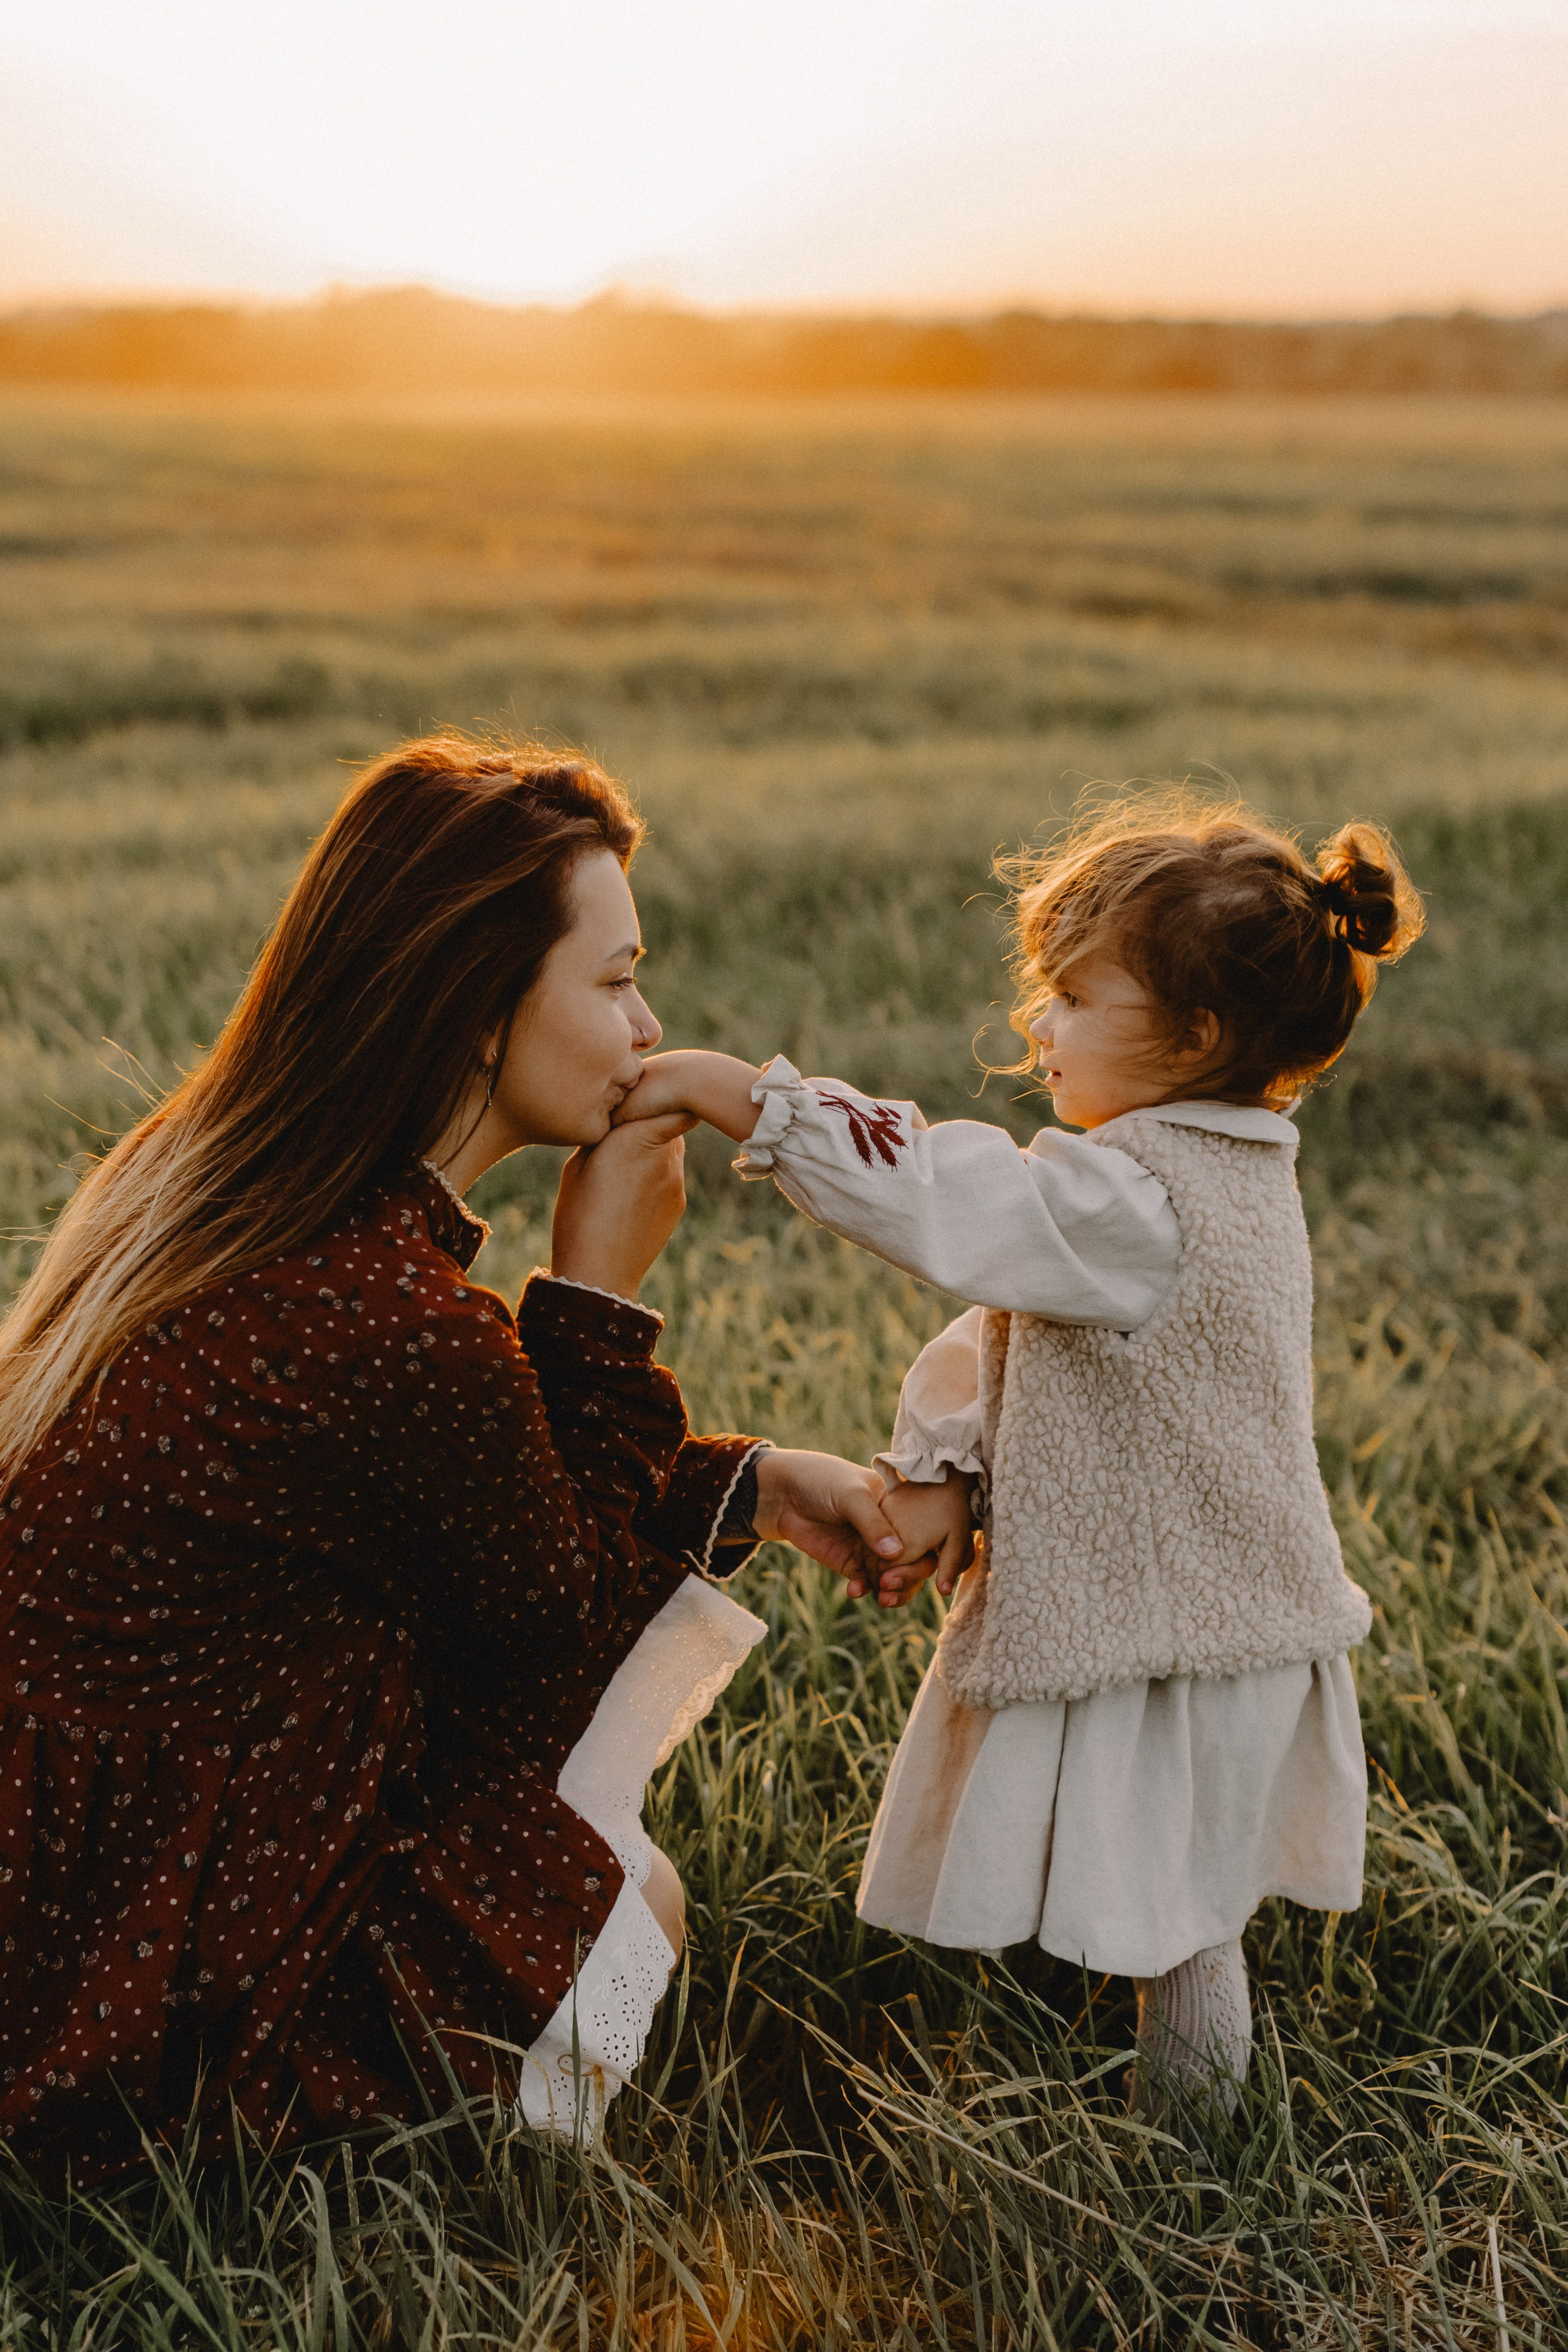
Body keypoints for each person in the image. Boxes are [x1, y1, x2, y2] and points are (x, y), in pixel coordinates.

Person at [0, 734, 902, 2182]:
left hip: (63, 1904)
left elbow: (458, 1519)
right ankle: (451, 2202)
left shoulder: (217, 1186)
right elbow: (541, 1674)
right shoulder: (391, 1323)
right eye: (613, 981)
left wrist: (751, 1488)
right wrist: (597, 1299)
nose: (646, 1023)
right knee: (622, 1903)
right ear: (481, 1008)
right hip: (110, 2004)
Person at [616, 793, 1424, 2109]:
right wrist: (938, 1468)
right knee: (1161, 1880)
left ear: (1195, 1037)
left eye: (1073, 996)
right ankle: (1133, 2052)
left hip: (1174, 1621)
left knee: (1179, 1910)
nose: (1034, 1022)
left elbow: (956, 1202)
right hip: (1191, 1604)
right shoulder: (1189, 1175)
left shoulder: (1144, 1198)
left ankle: (1197, 2147)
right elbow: (1008, 1327)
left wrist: (749, 1101)